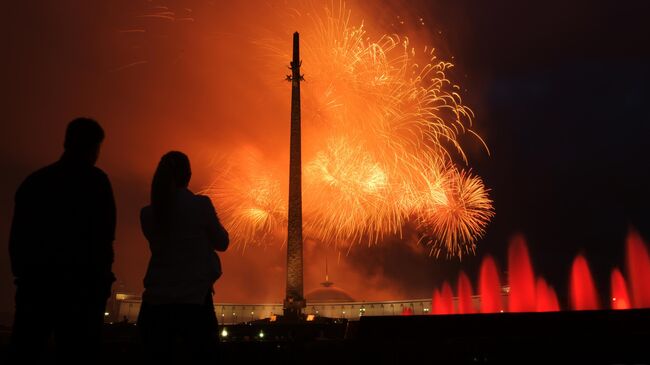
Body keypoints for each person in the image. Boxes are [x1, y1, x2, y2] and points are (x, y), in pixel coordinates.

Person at [8, 118, 116, 364]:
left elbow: (17, 240)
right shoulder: (97, 183)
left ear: (66, 141)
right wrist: (101, 285)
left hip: (36, 289)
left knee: (25, 352)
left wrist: (23, 276)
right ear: (96, 148)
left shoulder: (35, 182)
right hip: (81, 293)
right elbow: (105, 239)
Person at [138, 151, 229, 364]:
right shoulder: (200, 205)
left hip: (155, 304)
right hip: (194, 303)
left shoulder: (147, 214)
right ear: (188, 175)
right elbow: (222, 242)